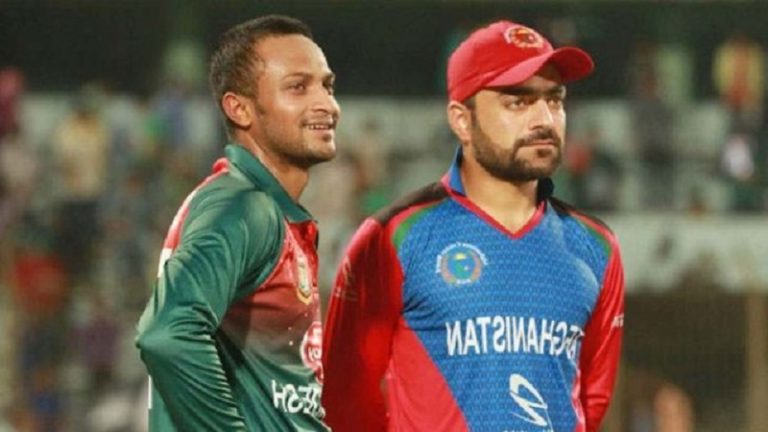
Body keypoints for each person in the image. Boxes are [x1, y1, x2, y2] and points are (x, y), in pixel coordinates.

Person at [323, 20, 625, 432]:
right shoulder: (395, 236)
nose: (545, 119)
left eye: (554, 100)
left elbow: (591, 403)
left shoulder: (596, 247)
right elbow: (344, 396)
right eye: (518, 102)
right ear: (462, 121)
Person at [136, 15, 339, 431]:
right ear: (239, 108)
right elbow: (168, 332)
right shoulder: (243, 207)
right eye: (298, 87)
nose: (327, 104)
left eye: (327, 86)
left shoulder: (259, 207)